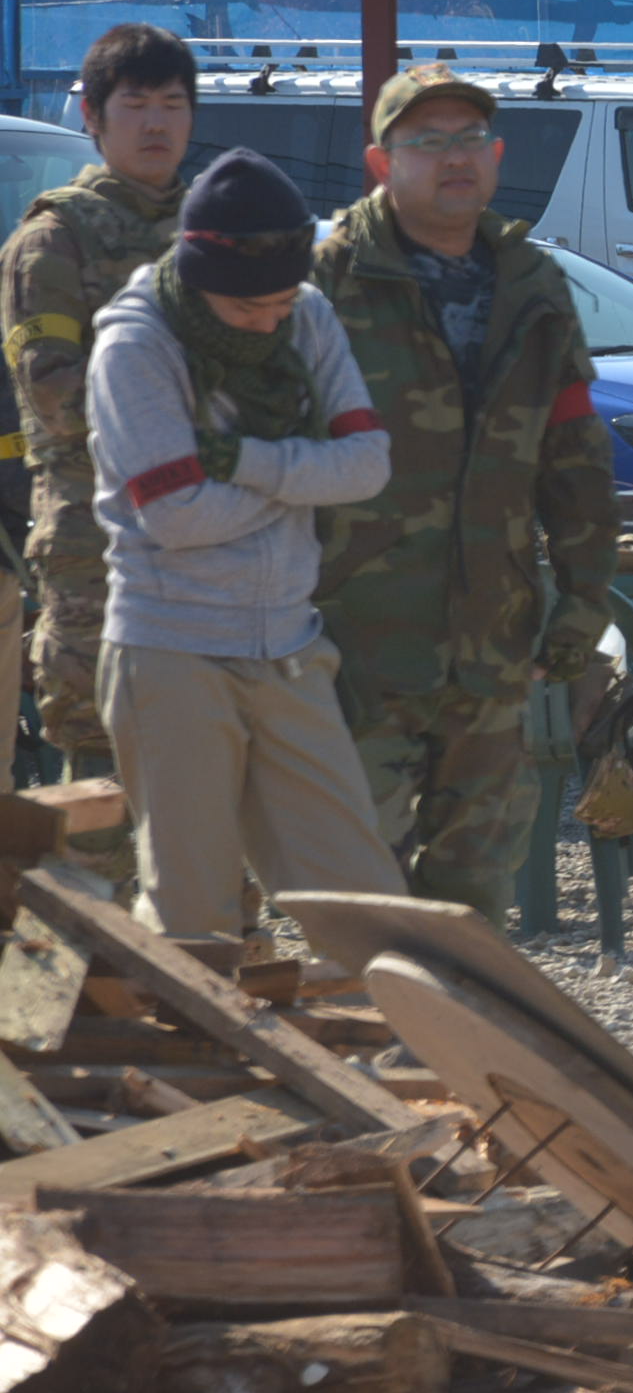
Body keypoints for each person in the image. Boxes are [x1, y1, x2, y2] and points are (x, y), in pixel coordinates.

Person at [311, 67, 619, 923]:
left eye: (470, 140)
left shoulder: (530, 282)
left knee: (475, 885)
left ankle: (456, 1013)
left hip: (492, 641)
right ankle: (365, 1013)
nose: (455, 159)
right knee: (355, 878)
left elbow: (575, 459)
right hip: (355, 642)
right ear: (382, 163)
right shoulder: (329, 280)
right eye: (428, 142)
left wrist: (582, 604)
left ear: (497, 156)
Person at [87, 148, 406, 937]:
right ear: (200, 281)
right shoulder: (135, 345)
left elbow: (369, 465)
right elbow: (177, 519)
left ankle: (374, 1018)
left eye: (280, 303)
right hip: (171, 649)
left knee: (367, 908)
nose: (269, 322)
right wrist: (304, 479)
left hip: (290, 646)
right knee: (194, 917)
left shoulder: (310, 315)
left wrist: (244, 463)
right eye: (246, 308)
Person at [4, 22, 196, 780]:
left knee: (209, 755)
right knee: (104, 759)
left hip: (215, 539)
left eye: (173, 104)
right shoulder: (54, 240)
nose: (156, 123)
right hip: (99, 537)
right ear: (93, 117)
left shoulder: (213, 237)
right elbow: (56, 395)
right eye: (136, 104)